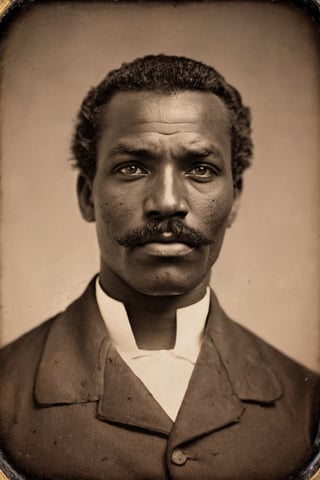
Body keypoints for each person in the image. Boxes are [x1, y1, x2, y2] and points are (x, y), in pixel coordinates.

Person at [0, 55, 319, 480]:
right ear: (87, 195)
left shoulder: (309, 407)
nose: (167, 202)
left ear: (235, 200)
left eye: (201, 169)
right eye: (132, 167)